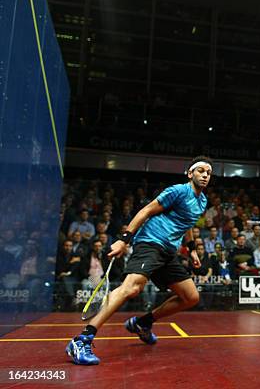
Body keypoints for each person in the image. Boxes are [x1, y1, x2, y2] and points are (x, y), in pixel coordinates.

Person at [66, 156, 213, 365]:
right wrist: (124, 240)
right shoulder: (178, 191)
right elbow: (146, 211)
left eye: (208, 172)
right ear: (190, 174)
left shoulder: (202, 201)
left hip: (168, 253)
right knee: (131, 289)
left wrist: (191, 250)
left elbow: (186, 223)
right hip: (150, 243)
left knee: (191, 296)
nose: (205, 175)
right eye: (200, 171)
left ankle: (142, 323)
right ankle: (82, 339)